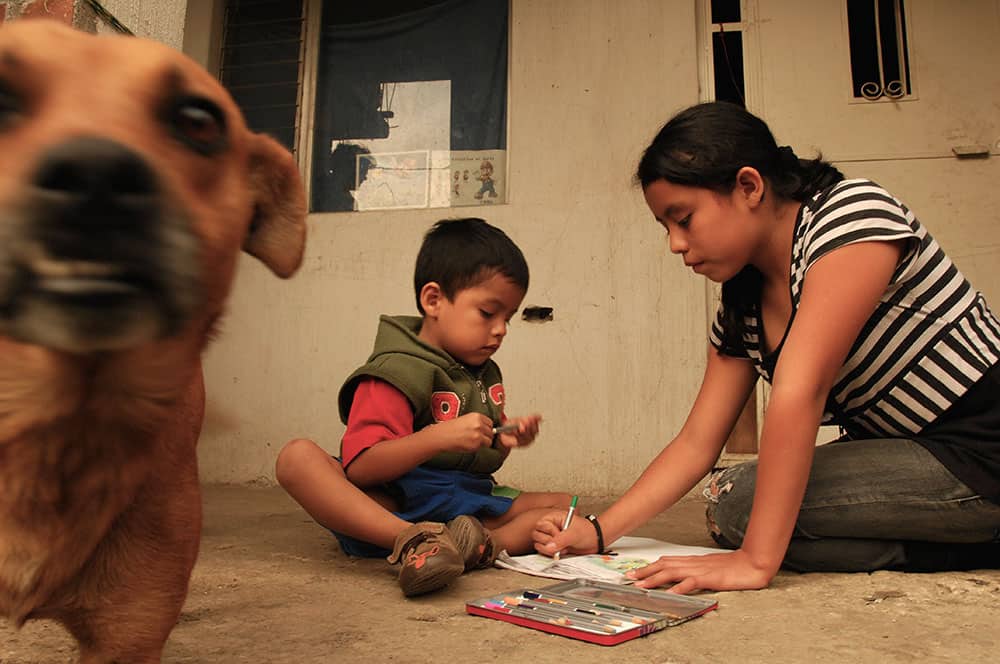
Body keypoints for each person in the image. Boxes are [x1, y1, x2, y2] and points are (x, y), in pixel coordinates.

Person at [533, 101, 1000, 594]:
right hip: (913, 451)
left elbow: (801, 391)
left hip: (981, 451)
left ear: (749, 187)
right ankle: (967, 546)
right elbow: (697, 442)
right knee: (735, 504)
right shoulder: (744, 302)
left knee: (746, 510)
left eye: (683, 219)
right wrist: (600, 530)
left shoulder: (852, 215)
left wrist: (756, 562)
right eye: (665, 228)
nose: (674, 243)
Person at [276, 217, 572, 596]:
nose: (501, 330)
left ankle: (481, 547)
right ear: (433, 300)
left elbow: (479, 463)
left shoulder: (478, 371)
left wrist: (502, 439)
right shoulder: (395, 370)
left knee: (566, 510)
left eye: (508, 318)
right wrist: (434, 438)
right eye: (487, 313)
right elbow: (362, 467)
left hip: (459, 501)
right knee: (296, 458)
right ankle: (414, 542)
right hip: (393, 505)